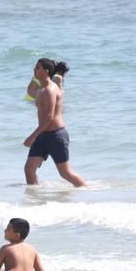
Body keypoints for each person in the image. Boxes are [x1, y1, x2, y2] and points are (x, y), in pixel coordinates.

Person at [24, 59, 86, 188]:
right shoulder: (41, 88)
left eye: (37, 68)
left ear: (46, 71)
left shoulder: (50, 90)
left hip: (55, 135)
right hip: (43, 134)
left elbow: (49, 117)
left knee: (65, 173)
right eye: (35, 67)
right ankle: (34, 199)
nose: (34, 70)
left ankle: (86, 191)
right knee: (29, 169)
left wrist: (32, 136)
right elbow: (30, 91)